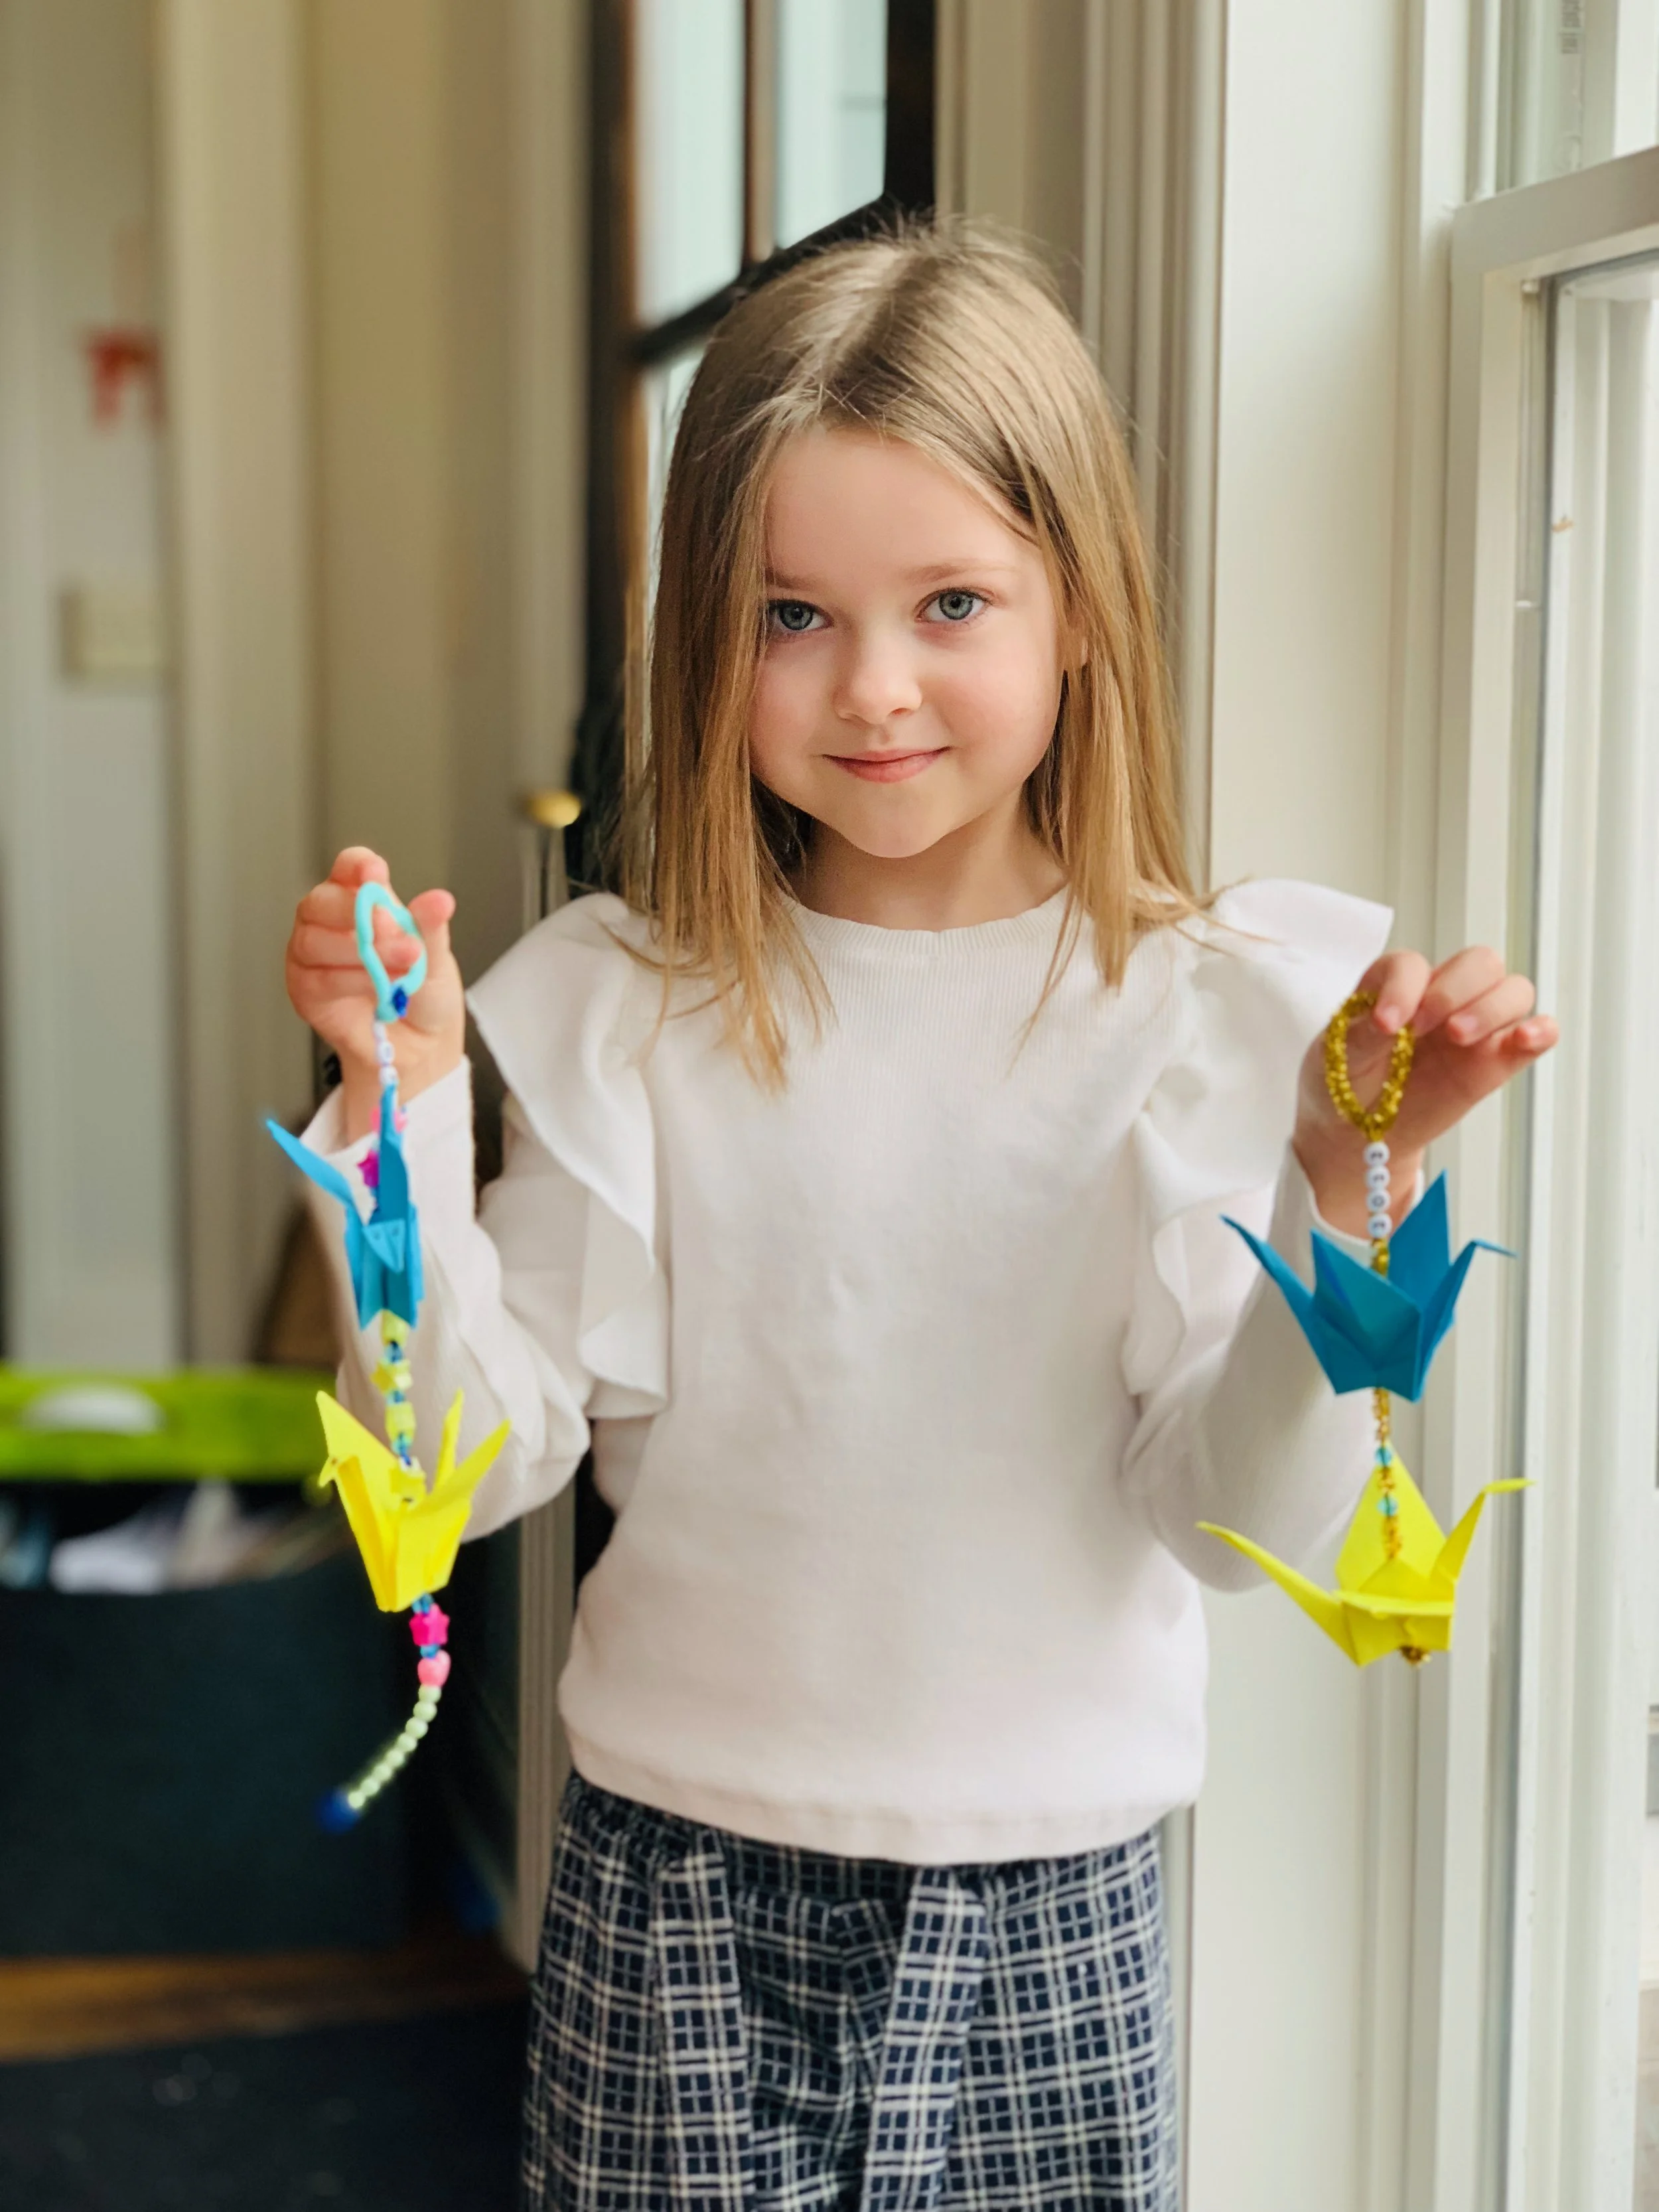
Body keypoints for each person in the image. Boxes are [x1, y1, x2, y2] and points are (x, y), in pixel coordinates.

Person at [281, 224, 1555, 2211]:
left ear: (1078, 616)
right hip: (672, 1882)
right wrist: (403, 1105)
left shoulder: (1206, 1018)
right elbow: (455, 1466)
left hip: (1054, 1906)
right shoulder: (630, 1004)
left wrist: (1342, 1184)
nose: (869, 686)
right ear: (707, 633)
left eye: (947, 599)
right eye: (789, 614)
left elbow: (1236, 1526)